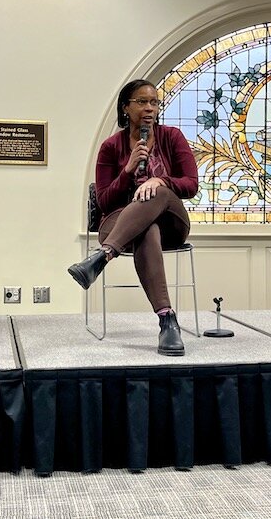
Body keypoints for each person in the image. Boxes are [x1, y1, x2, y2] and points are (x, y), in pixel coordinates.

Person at [68, 79, 199, 356]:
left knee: (156, 192)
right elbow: (104, 201)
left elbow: (191, 184)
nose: (149, 108)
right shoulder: (110, 147)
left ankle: (101, 257)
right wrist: (127, 171)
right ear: (125, 107)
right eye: (142, 102)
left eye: (154, 102)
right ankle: (167, 320)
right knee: (146, 227)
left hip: (171, 222)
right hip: (121, 223)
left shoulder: (172, 137)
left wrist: (160, 180)